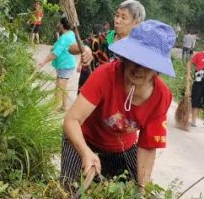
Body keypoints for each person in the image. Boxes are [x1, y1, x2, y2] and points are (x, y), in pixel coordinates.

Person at [62, 20, 176, 189]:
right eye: (135, 60)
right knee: (71, 194)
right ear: (126, 57)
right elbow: (71, 121)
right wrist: (86, 152)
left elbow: (147, 147)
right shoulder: (105, 75)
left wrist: (142, 189)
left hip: (123, 148)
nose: (138, 69)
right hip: (83, 140)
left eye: (147, 65)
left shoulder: (161, 96)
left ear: (157, 69)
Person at [37, 16, 79, 111]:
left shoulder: (64, 37)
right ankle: (64, 107)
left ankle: (53, 110)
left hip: (65, 65)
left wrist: (43, 62)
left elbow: (55, 54)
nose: (58, 25)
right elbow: (61, 46)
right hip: (67, 65)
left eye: (59, 23)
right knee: (63, 87)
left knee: (59, 88)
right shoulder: (71, 33)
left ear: (62, 25)